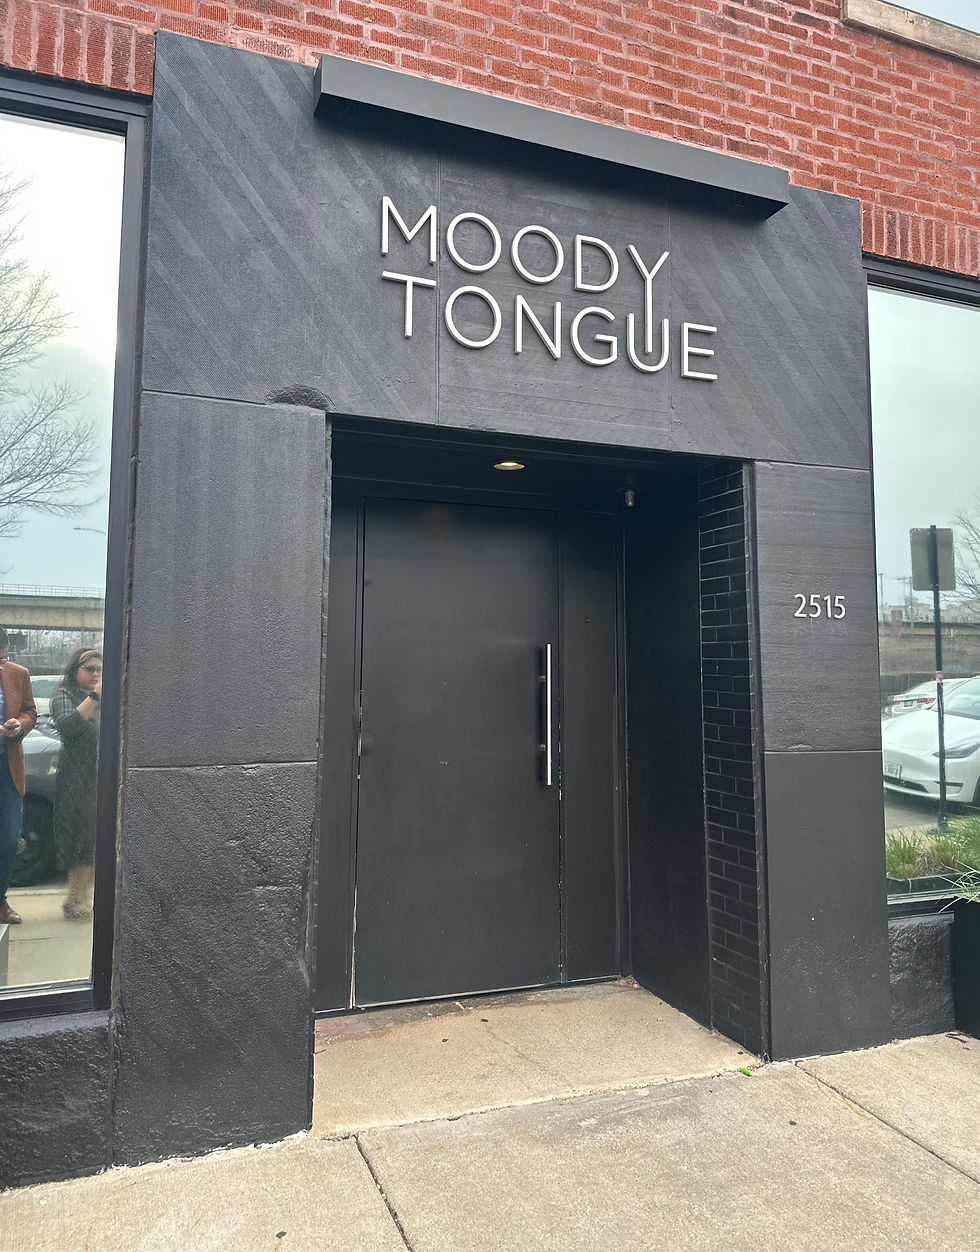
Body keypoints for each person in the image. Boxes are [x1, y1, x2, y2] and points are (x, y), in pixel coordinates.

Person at [50, 647, 102, 920]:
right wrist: (95, 697)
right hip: (76, 777)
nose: (95, 674)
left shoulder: (111, 695)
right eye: (89, 669)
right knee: (81, 837)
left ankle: (83, 899)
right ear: (75, 671)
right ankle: (76, 900)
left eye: (99, 669)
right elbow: (68, 726)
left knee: (97, 838)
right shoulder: (64, 694)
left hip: (103, 773)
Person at [0, 628, 38, 926]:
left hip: (8, 765)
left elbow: (30, 712)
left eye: (3, 655)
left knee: (10, 837)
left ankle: (0, 900)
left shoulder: (18, 673)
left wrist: (20, 724)